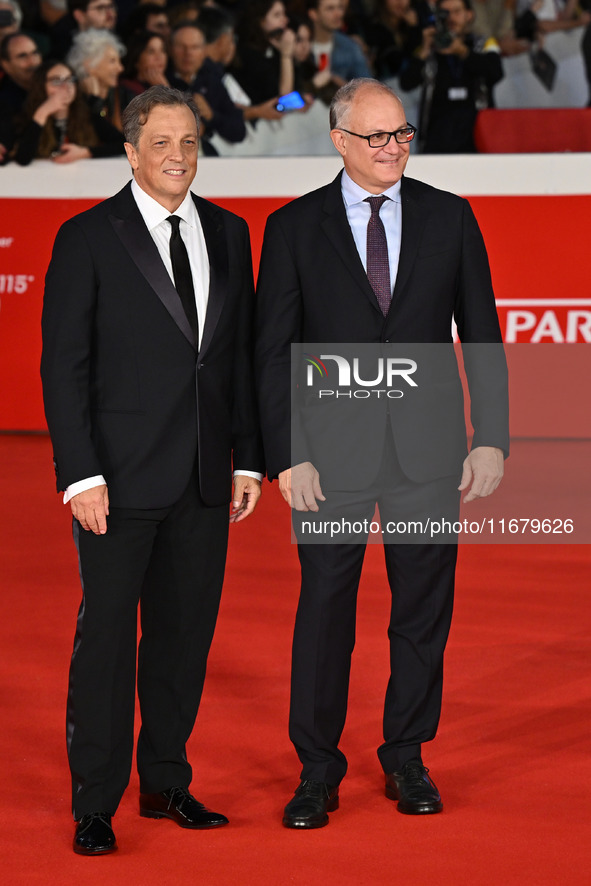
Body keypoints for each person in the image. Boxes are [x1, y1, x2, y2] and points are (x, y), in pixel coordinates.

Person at [255, 77, 508, 829]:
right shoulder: (294, 228)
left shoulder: (449, 217)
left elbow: (483, 336)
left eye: (401, 134)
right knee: (325, 610)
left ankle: (405, 756)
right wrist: (286, 455)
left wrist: (490, 436)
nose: (392, 148)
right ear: (338, 141)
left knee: (421, 613)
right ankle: (315, 770)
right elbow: (272, 353)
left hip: (427, 455)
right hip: (328, 459)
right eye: (375, 137)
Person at [41, 84, 264, 855]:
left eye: (189, 143)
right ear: (131, 151)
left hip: (206, 477)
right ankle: (95, 802)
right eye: (161, 143)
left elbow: (235, 360)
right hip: (117, 480)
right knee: (105, 641)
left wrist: (250, 460)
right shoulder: (87, 236)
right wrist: (80, 475)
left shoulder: (231, 233)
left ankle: (166, 781)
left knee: (182, 638)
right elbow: (63, 367)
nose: (177, 157)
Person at [400, 0, 503, 153]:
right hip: (437, 138)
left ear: (469, 14)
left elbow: (496, 72)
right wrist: (425, 50)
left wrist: (462, 51)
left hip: (478, 135)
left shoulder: (484, 43)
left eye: (456, 12)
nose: (451, 18)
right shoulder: (428, 46)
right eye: (445, 13)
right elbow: (407, 83)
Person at [13, 58, 117, 163]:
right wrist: (42, 113)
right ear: (41, 86)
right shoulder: (26, 116)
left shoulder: (87, 115)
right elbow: (22, 159)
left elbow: (124, 145)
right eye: (56, 81)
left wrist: (86, 152)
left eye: (69, 80)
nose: (65, 87)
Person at [167, 20, 246, 154]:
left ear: (204, 51)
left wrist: (211, 116)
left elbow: (238, 131)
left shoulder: (212, 80)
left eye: (194, 47)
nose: (188, 53)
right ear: (170, 49)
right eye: (181, 47)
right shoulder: (159, 80)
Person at [307, 0, 373, 85]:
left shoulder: (350, 47)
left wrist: (339, 84)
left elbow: (367, 86)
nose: (338, 14)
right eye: (330, 9)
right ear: (313, 14)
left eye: (340, 8)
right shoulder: (301, 45)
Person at [0, 31, 41, 161]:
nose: (32, 62)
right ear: (6, 65)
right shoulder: (3, 101)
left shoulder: (53, 86)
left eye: (35, 53)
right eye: (22, 56)